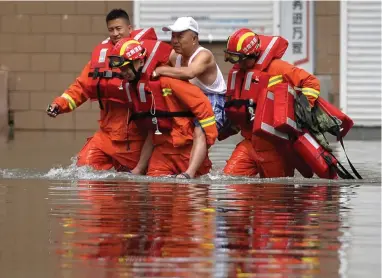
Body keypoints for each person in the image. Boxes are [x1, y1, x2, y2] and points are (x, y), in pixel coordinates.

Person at [46, 9, 157, 173]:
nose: (115, 33)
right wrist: (59, 104)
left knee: (132, 189)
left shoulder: (143, 54)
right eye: (111, 29)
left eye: (119, 28)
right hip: (106, 133)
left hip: (134, 136)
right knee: (83, 172)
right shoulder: (101, 57)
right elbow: (81, 86)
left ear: (129, 28)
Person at [108, 38, 218, 179]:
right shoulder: (140, 89)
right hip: (162, 152)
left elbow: (202, 104)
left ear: (140, 62)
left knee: (192, 194)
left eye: (126, 67)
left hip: (186, 151)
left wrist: (209, 138)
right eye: (121, 69)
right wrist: (138, 169)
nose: (123, 72)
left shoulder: (168, 81)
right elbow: (151, 132)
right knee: (157, 191)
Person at [221, 28, 321, 178]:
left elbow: (311, 82)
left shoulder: (277, 68)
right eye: (231, 58)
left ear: (252, 55)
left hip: (276, 146)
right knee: (229, 183)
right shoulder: (236, 75)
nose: (235, 64)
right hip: (249, 143)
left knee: (274, 195)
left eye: (237, 58)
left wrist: (300, 112)